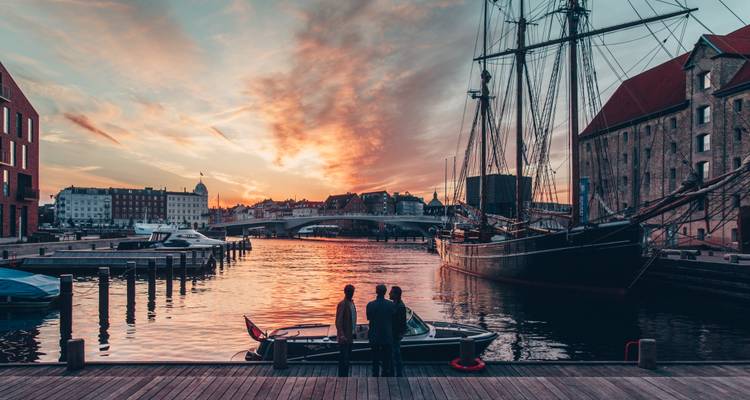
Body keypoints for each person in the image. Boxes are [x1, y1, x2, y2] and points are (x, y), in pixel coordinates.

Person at [366, 284, 395, 377]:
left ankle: (375, 374)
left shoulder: (370, 305)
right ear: (385, 292)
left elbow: (369, 317)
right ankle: (385, 373)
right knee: (386, 358)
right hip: (387, 335)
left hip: (374, 335)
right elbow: (393, 318)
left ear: (376, 292)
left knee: (375, 358)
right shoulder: (391, 305)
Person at [335, 284, 357, 377]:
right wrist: (342, 335)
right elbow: (338, 321)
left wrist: (354, 331)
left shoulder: (352, 303)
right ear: (345, 292)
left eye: (352, 292)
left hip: (350, 335)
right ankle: (342, 376)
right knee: (344, 358)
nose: (351, 293)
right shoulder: (342, 304)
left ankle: (345, 375)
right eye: (349, 292)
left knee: (347, 358)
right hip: (344, 337)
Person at [389, 286, 407, 377]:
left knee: (396, 353)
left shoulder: (400, 306)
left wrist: (400, 334)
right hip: (393, 333)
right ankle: (393, 372)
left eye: (391, 292)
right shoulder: (395, 304)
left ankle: (399, 373)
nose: (389, 294)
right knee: (394, 353)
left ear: (396, 295)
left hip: (395, 334)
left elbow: (402, 322)